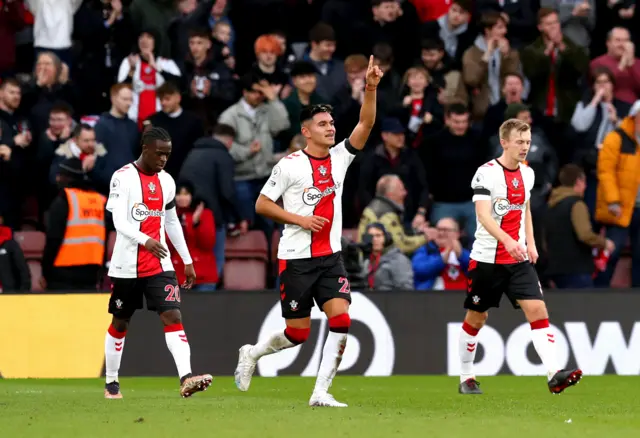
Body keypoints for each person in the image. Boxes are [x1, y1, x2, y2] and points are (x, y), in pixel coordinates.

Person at [234, 56, 384, 408]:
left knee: (342, 318)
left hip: (330, 258)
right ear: (306, 131)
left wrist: (371, 87)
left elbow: (366, 122)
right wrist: (299, 220)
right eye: (322, 124)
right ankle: (252, 353)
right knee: (297, 334)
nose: (331, 128)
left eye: (331, 123)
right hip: (296, 259)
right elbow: (261, 204)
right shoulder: (289, 165)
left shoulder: (340, 158)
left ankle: (320, 392)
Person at [460, 118, 582, 395]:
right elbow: (482, 215)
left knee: (538, 310)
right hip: (487, 260)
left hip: (517, 260)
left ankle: (554, 374)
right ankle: (466, 375)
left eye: (527, 142)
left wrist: (530, 244)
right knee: (477, 318)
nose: (525, 147)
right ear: (504, 142)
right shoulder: (485, 173)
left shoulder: (527, 173)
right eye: (519, 142)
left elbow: (524, 209)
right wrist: (507, 240)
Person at [104, 127, 212, 399]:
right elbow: (119, 221)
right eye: (159, 153)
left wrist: (186, 260)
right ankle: (112, 382)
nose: (164, 159)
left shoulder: (167, 181)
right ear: (145, 148)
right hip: (127, 264)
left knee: (173, 315)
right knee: (120, 321)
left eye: (168, 154)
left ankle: (186, 378)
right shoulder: (122, 177)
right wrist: (145, 239)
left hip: (160, 264)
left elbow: (172, 221)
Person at [41, 158, 107, 291]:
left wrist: (45, 272)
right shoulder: (98, 200)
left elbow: (54, 240)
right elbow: (103, 239)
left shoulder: (64, 200)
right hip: (91, 273)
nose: (57, 179)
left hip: (62, 274)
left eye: (60, 175)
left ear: (67, 177)